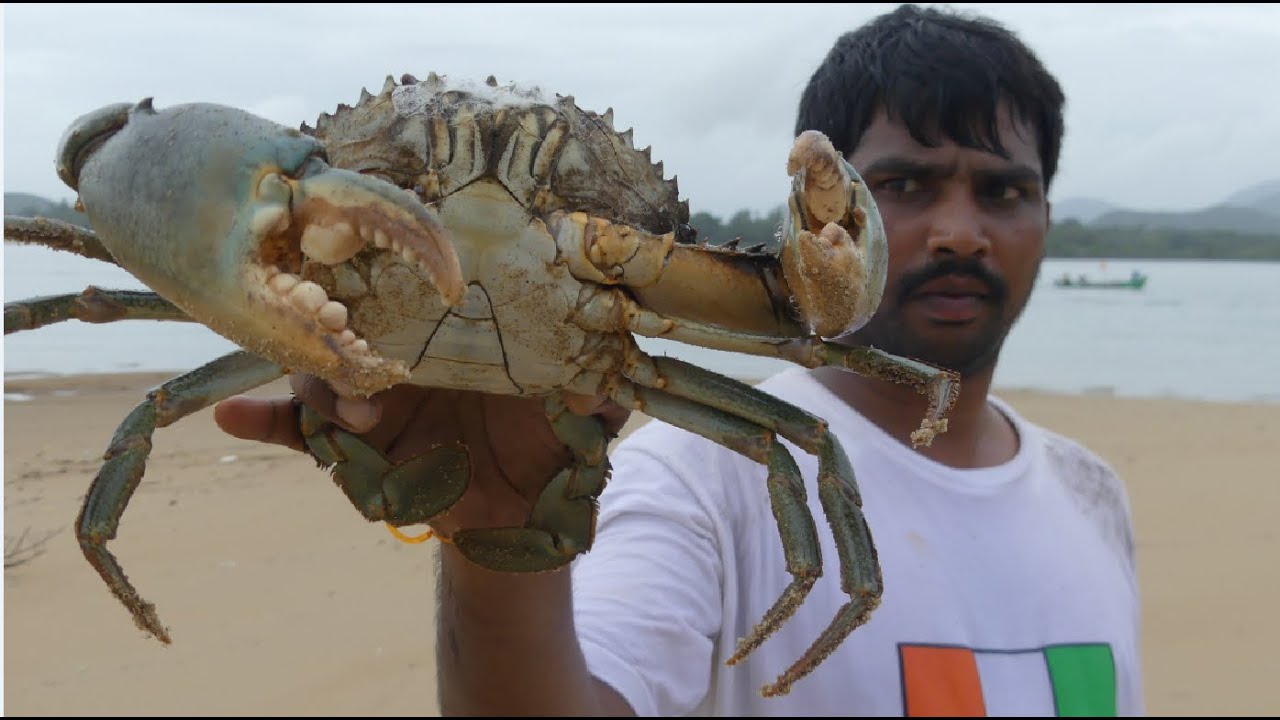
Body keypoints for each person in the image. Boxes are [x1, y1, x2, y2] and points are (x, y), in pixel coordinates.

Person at [214, 3, 1145, 716]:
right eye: (903, 184)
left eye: (1004, 190)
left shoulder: (1093, 493)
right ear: (819, 212)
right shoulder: (692, 472)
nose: (958, 232)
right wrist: (501, 539)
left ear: (1050, 216)